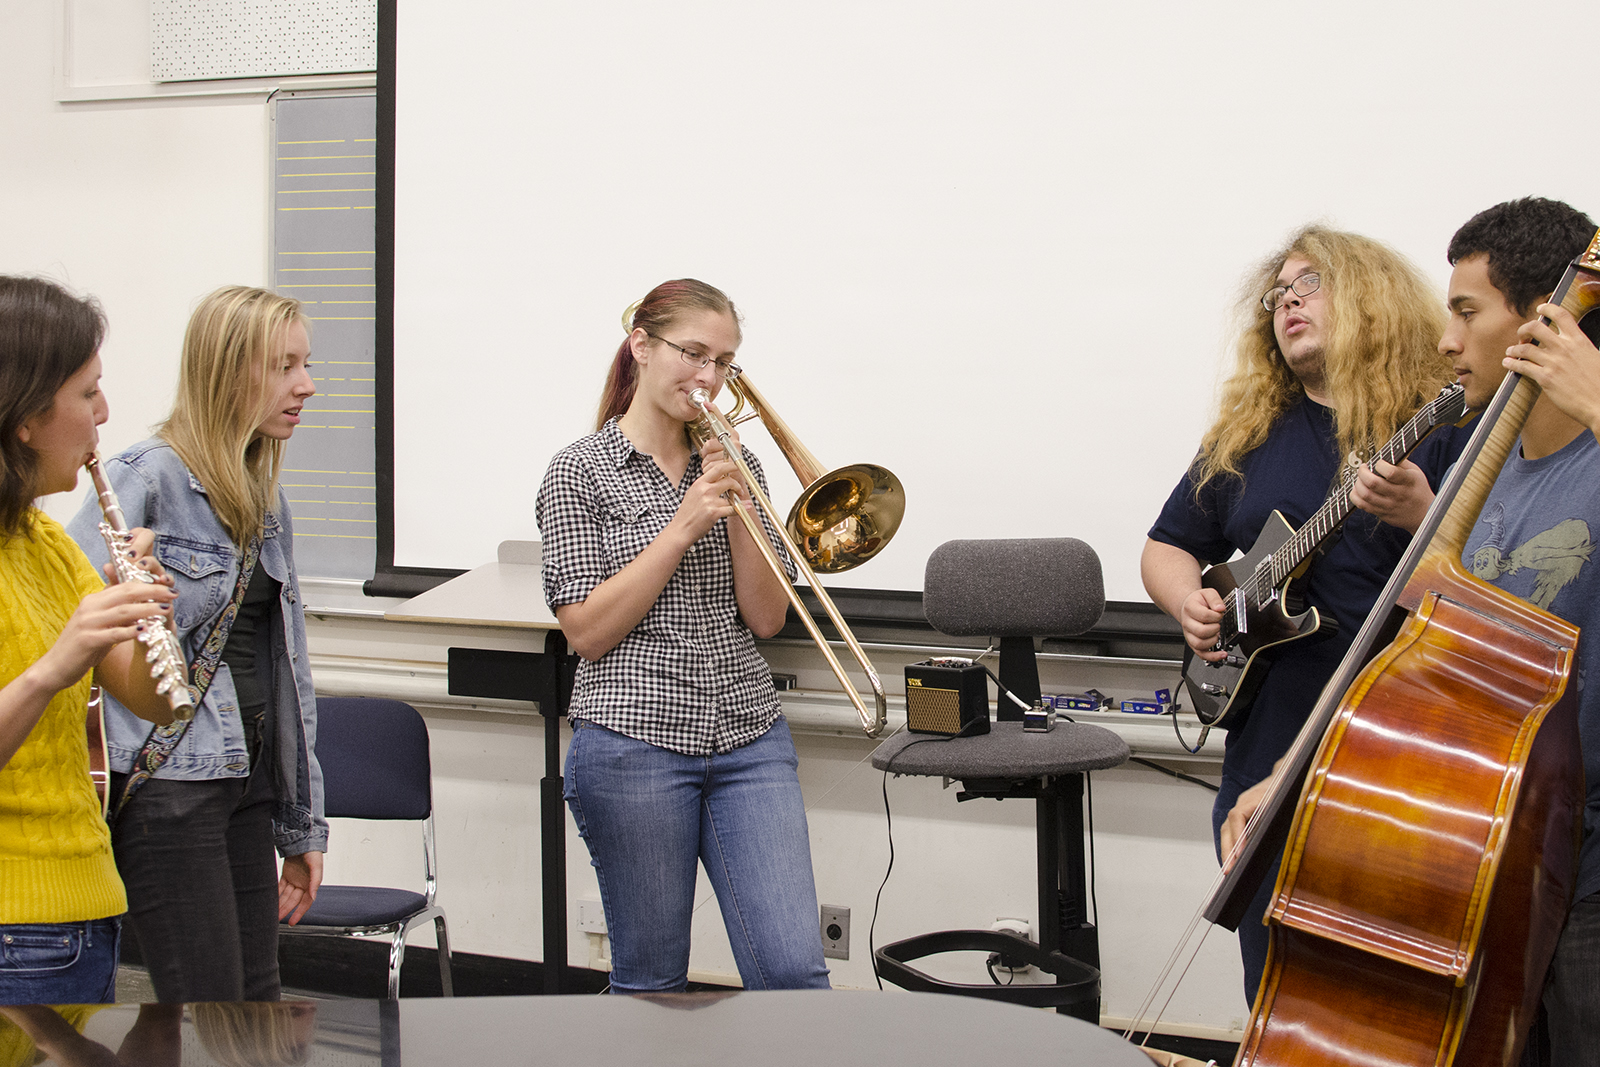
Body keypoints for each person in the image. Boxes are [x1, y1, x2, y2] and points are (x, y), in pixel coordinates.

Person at [1140, 227, 1470, 1003]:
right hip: (1267, 737)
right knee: (1274, 979)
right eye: (1277, 293)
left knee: (1380, 991)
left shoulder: (1446, 417)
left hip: (1392, 737)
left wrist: (1423, 510)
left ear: (1369, 296)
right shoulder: (1249, 431)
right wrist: (1188, 600)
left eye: (1309, 283)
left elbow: (1488, 576)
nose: (1287, 301)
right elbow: (1165, 546)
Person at [535, 278, 830, 993]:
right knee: (652, 984)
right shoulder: (578, 471)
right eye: (693, 353)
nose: (709, 378)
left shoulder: (740, 465)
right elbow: (586, 632)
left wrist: (736, 510)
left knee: (794, 971)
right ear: (641, 344)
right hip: (633, 745)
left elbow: (766, 618)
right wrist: (683, 525)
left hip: (748, 737)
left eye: (724, 361)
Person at [66, 285, 327, 1003]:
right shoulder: (143, 476)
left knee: (256, 1004)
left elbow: (288, 672)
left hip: (245, 781)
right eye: (284, 366)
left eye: (304, 364)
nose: (307, 385)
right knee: (207, 1010)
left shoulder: (265, 499)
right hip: (170, 786)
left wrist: (303, 824)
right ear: (227, 372)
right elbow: (68, 626)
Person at [1435, 197, 1599, 1066]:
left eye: (1467, 312)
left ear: (1542, 321)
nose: (1447, 341)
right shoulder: (1483, 466)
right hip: (1499, 855)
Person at [0, 275, 181, 1005]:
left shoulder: (44, 539)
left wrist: (149, 618)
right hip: (14, 918)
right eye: (87, 393)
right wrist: (55, 665)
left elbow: (157, 705)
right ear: (24, 415)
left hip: (85, 905)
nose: (105, 414)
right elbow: (54, 673)